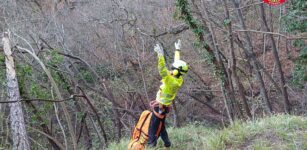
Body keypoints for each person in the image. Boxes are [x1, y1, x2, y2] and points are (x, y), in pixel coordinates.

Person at [148, 40, 188, 148]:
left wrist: (160, 55)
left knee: (153, 127)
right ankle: (167, 143)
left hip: (160, 107)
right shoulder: (178, 78)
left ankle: (151, 144)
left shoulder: (170, 80)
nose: (172, 68)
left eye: (173, 69)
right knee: (161, 125)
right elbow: (177, 63)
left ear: (175, 71)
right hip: (163, 106)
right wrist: (177, 50)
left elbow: (162, 69)